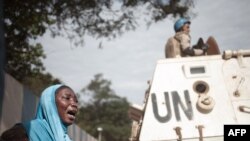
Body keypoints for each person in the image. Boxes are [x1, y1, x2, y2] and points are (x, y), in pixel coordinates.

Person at [0, 84, 78, 141]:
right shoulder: (26, 132)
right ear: (50, 103)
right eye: (67, 98)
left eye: (76, 101)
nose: (74, 104)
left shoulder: (66, 139)